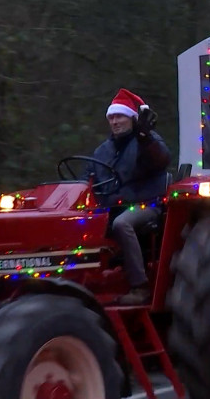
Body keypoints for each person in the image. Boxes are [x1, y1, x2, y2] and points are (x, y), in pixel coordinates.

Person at [85, 88, 171, 305]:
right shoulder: (102, 151)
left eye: (120, 116)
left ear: (133, 118)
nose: (115, 121)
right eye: (111, 117)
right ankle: (87, 284)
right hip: (110, 207)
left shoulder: (147, 143)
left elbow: (160, 160)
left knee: (122, 224)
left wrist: (145, 138)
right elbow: (88, 179)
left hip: (145, 204)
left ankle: (140, 286)